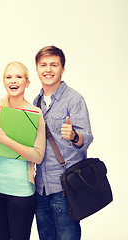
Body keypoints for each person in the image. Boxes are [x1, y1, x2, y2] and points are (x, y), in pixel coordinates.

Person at [0, 61, 46, 240]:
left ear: (27, 82)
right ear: (3, 81)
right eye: (8, 77)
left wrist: (6, 140)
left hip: (22, 192)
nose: (13, 81)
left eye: (18, 76)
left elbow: (38, 156)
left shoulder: (35, 113)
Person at [33, 46, 93, 240]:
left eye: (54, 65)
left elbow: (87, 137)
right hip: (41, 188)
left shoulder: (74, 99)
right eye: (43, 65)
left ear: (62, 69)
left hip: (64, 188)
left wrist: (74, 136)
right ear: (37, 69)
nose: (48, 69)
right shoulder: (36, 102)